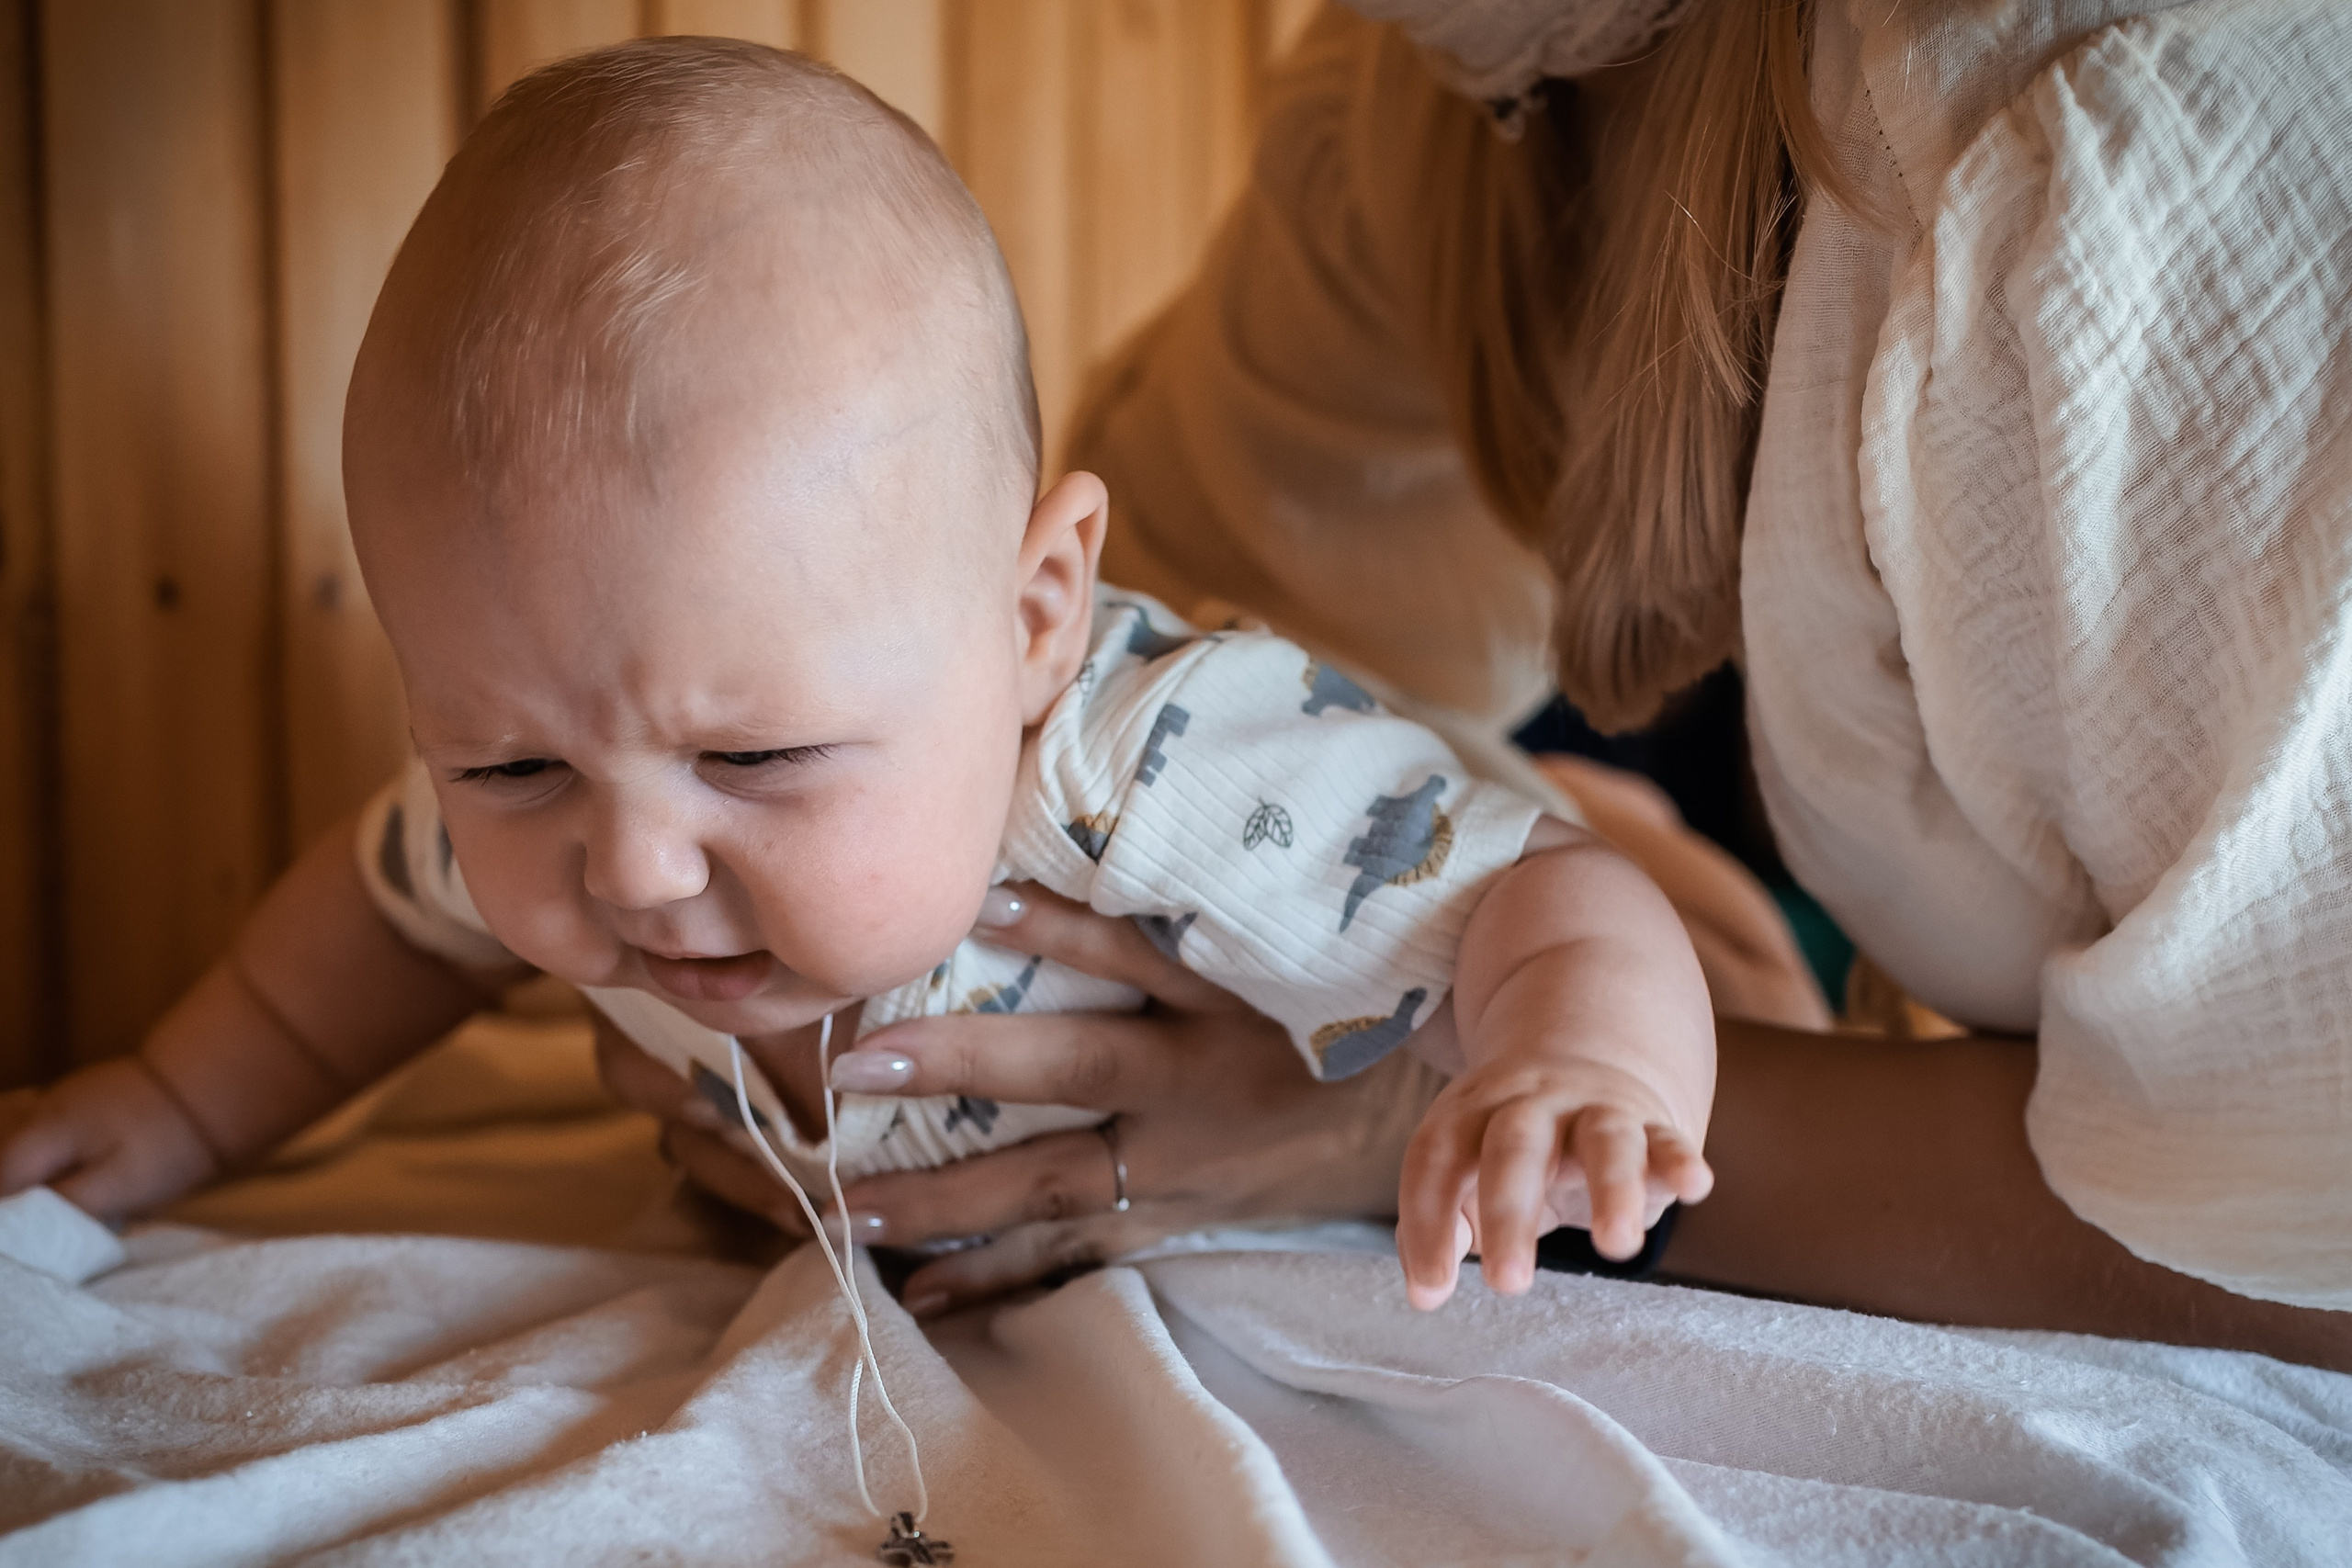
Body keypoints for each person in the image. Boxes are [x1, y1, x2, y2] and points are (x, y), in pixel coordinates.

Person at [603, 0, 2352, 1370]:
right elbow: (1154, 700)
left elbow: (2298, 1230)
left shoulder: (2103, 160)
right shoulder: (1434, 92)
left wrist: (1406, 1106)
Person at [0, 37, 1727, 1308]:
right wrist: (172, 1106)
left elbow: (1543, 902)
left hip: (1474, 816)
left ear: (1035, 616)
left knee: (1591, 887)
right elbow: (380, 916)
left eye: (753, 761)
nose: (637, 871)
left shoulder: (1163, 772)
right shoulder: (562, 780)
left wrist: (1581, 1066)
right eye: (512, 768)